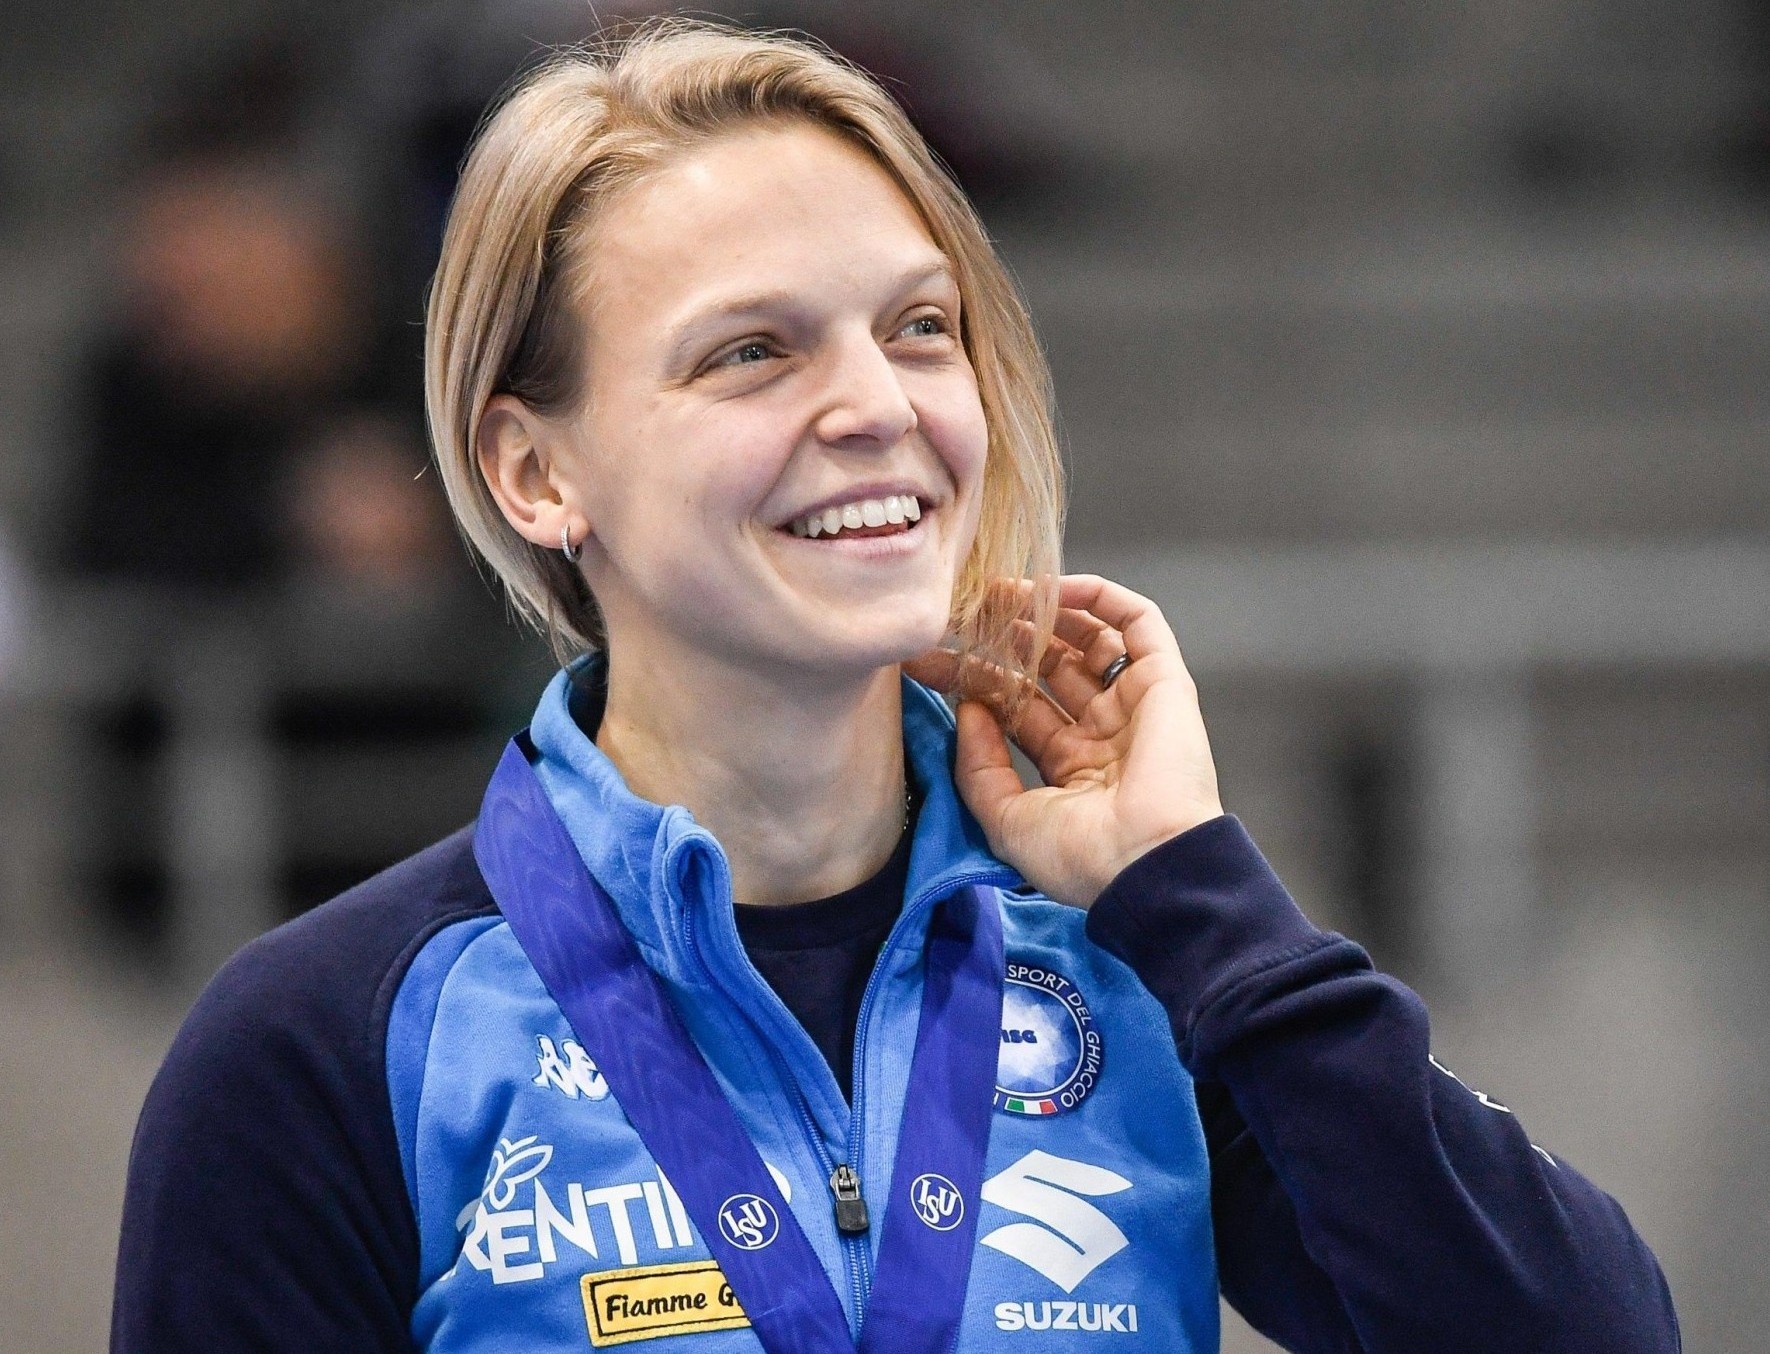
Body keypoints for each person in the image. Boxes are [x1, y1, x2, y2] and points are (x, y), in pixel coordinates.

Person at [111, 21, 1680, 1354]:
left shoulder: (1140, 971)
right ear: (534, 470)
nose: (876, 405)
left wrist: (1199, 898)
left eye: (920, 329)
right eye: (750, 354)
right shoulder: (327, 1042)